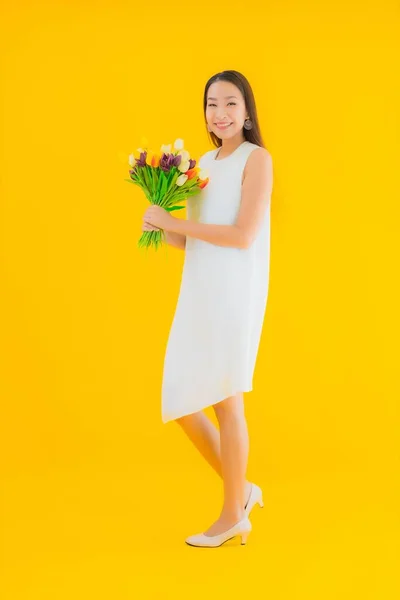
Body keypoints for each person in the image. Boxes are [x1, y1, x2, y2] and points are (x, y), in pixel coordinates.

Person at [142, 70, 273, 547]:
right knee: (180, 398)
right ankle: (243, 492)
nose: (220, 113)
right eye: (212, 104)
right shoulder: (200, 164)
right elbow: (190, 242)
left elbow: (241, 236)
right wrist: (161, 222)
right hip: (198, 291)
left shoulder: (256, 160)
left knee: (226, 398)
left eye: (231, 103)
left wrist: (177, 221)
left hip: (233, 293)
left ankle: (231, 514)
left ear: (247, 111)